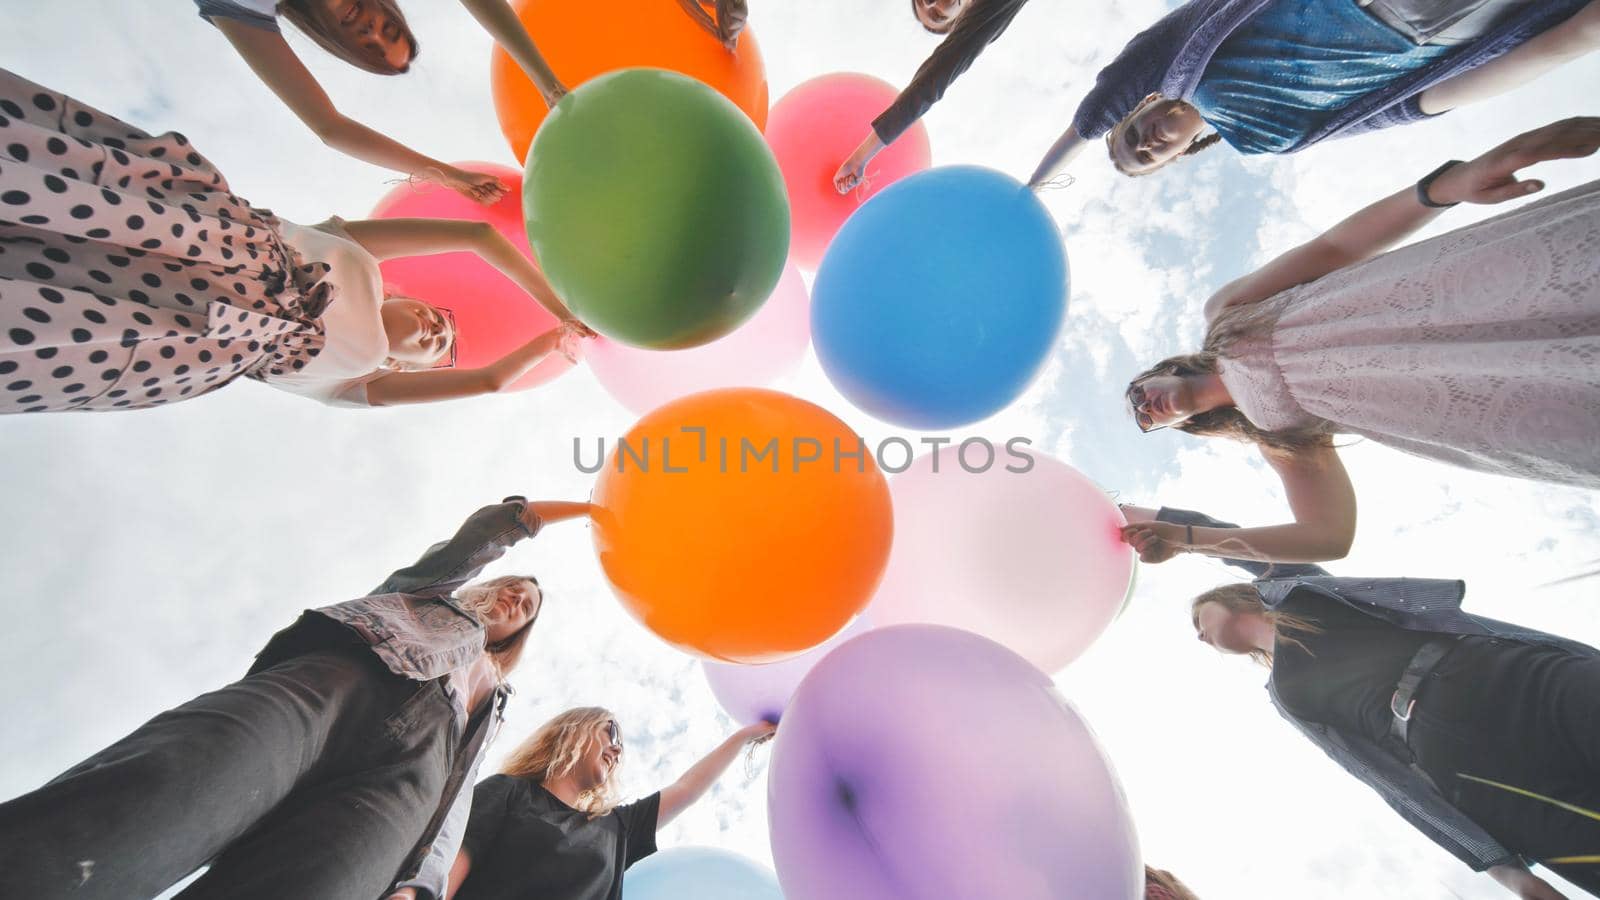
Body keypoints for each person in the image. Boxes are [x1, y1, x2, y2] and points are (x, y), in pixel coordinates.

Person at [0, 497, 593, 900]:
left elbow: (459, 789)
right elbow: (476, 539)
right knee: (155, 801)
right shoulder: (431, 596)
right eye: (515, 588)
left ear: (522, 634)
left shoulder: (495, 701)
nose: (519, 599)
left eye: (529, 607)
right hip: (344, 681)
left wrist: (422, 882)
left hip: (412, 777)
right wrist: (543, 515)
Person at [1116, 117, 1600, 568]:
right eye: (1143, 418)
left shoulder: (1224, 315)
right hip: (1469, 393)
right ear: (1184, 424)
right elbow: (1328, 537)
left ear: (1162, 369)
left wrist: (1448, 186)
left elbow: (1336, 248)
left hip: (1448, 293)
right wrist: (1185, 539)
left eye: (1138, 391)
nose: (1146, 405)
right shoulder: (1277, 437)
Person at [0, 67, 594, 415]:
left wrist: (552, 341)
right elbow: (473, 236)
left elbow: (489, 381)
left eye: (435, 346)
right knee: (67, 196)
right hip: (204, 234)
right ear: (402, 296)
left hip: (183, 330)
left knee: (53, 307)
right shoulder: (355, 255)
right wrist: (560, 307)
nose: (436, 328)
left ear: (403, 366)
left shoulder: (352, 383)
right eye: (438, 317)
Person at [1027, 0, 1599, 184]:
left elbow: (1100, 105)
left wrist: (1034, 185)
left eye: (1130, 136)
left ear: (1142, 106)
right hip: (1435, 34)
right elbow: (1394, 110)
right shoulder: (1266, 142)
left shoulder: (1183, 59)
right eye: (1147, 157)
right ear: (1178, 156)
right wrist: (1570, 42)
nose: (1145, 145)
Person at [194, 0, 572, 202]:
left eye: (369, 49)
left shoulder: (242, 8)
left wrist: (451, 176)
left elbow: (331, 128)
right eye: (388, 29)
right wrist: (547, 82)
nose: (371, 32)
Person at [439, 708, 777, 900]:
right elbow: (457, 858)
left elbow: (686, 788)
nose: (617, 751)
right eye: (611, 734)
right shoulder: (509, 791)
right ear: (571, 731)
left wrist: (743, 736)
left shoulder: (616, 828)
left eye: (621, 749)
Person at [832, 0, 1031, 193]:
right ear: (964, 16)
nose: (929, 4)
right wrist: (860, 158)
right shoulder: (992, 9)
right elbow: (933, 79)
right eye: (937, 15)